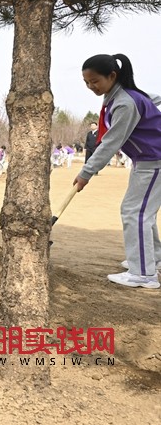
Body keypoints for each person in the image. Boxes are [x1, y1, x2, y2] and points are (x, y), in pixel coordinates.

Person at [75, 53, 161, 290]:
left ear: (112, 76)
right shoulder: (119, 96)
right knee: (140, 210)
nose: (91, 87)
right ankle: (152, 258)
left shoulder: (124, 102)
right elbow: (155, 99)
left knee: (136, 212)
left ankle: (143, 273)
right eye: (87, 82)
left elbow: (111, 142)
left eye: (95, 81)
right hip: (144, 162)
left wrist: (86, 172)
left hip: (155, 161)